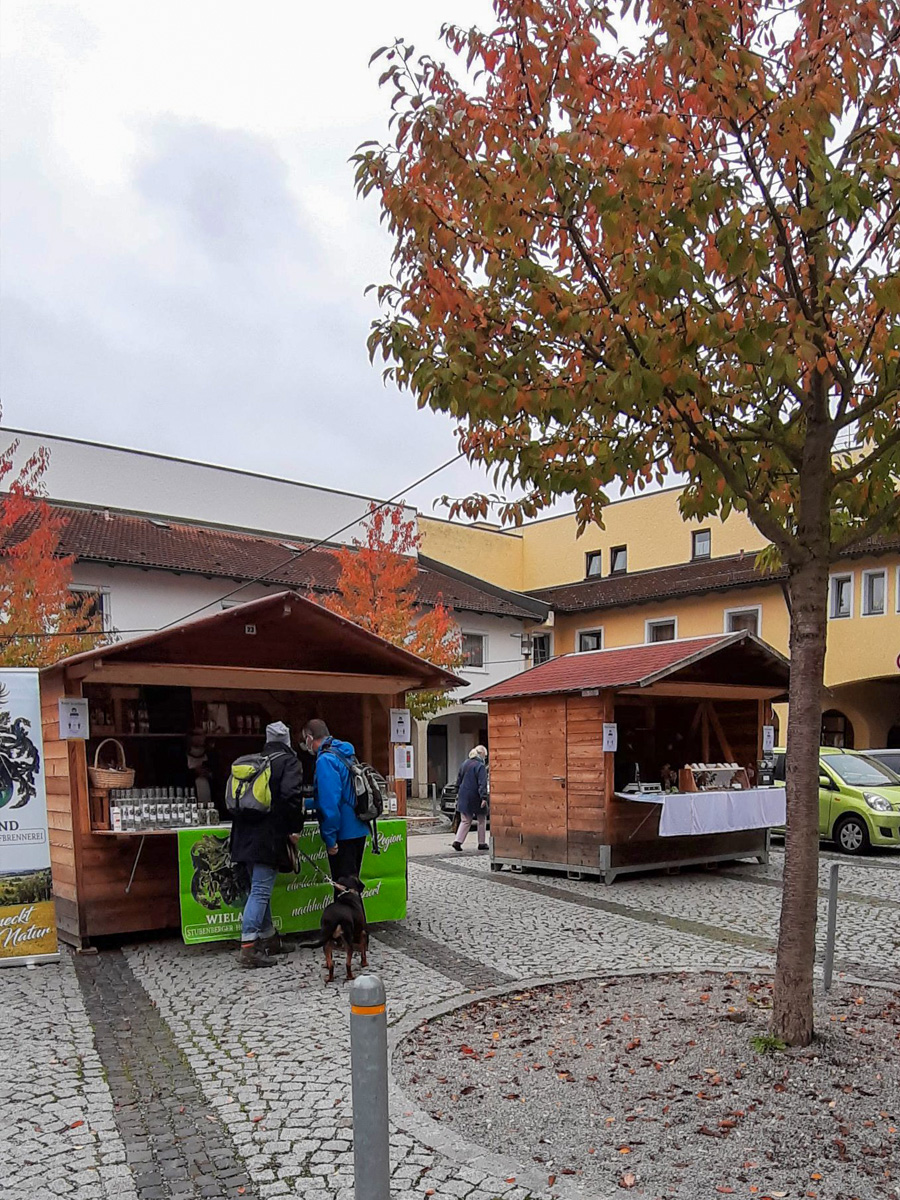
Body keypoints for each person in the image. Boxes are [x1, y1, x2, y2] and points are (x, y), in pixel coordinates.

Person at [229, 721, 305, 969]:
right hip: (268, 838)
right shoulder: (288, 762)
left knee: (258, 889)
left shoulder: (255, 761)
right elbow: (291, 797)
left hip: (242, 835)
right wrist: (294, 828)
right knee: (260, 891)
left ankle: (269, 938)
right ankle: (248, 948)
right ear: (287, 740)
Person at [302, 719, 370, 886]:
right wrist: (307, 803)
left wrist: (330, 839)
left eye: (305, 739)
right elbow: (345, 791)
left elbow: (330, 804)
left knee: (343, 890)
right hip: (359, 826)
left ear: (310, 738)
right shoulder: (345, 752)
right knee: (352, 887)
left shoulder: (325, 760)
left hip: (343, 833)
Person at [452, 745, 489, 852]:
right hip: (475, 796)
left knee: (465, 820)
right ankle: (481, 843)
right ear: (481, 754)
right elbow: (482, 783)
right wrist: (484, 797)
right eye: (485, 755)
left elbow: (458, 780)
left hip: (464, 795)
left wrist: (457, 792)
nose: (485, 758)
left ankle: (458, 841)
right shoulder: (480, 766)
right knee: (481, 819)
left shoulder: (465, 763)